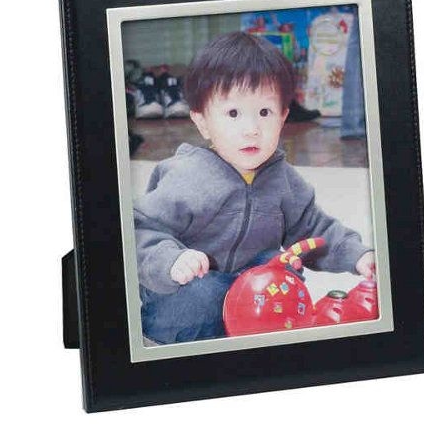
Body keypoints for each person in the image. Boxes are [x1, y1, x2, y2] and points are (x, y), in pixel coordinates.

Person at [134, 31, 375, 345]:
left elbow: (316, 229)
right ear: (202, 121)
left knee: (280, 266)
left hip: (250, 298)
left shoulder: (284, 180)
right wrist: (171, 261)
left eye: (264, 112)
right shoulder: (186, 176)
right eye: (233, 113)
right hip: (186, 298)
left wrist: (357, 256)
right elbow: (140, 229)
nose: (251, 129)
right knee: (203, 293)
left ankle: (259, 335)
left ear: (283, 117)